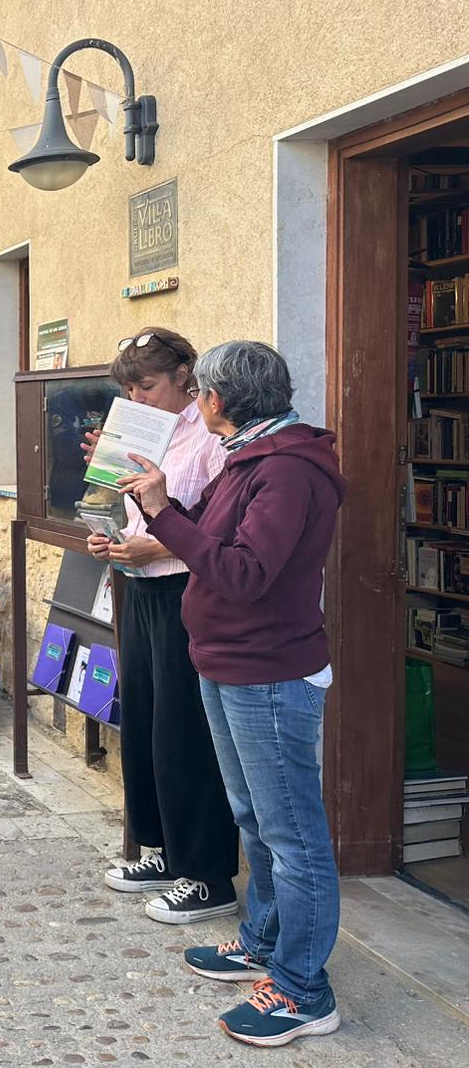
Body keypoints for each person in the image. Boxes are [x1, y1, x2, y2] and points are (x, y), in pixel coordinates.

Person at [118, 340, 345, 1048]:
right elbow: (201, 537)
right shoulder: (249, 459)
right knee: (254, 819)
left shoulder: (285, 471)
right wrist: (159, 506)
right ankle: (262, 943)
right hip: (228, 663)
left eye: (201, 395)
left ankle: (305, 990)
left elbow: (243, 573)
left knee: (293, 835)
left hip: (269, 671)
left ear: (215, 400)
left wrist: (166, 514)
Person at [85, 329, 239, 925]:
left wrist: (159, 544)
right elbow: (122, 499)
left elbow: (217, 518)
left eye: (146, 385)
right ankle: (166, 852)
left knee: (187, 728)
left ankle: (208, 875)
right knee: (147, 719)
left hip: (186, 585)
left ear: (185, 375)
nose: (138, 397)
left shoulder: (211, 436)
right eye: (128, 388)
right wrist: (111, 535)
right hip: (142, 585)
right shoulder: (142, 428)